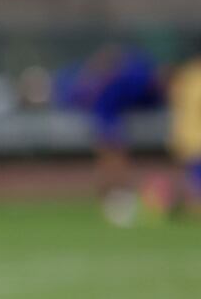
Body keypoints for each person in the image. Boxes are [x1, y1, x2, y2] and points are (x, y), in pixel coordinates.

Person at [55, 44, 166, 199]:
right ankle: (114, 192)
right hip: (107, 118)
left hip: (110, 117)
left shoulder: (131, 78)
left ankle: (115, 191)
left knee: (112, 155)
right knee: (112, 155)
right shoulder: (118, 84)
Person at [169, 40, 201, 215]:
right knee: (194, 175)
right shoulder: (189, 76)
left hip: (187, 135)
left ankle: (190, 205)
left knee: (193, 175)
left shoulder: (186, 75)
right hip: (193, 136)